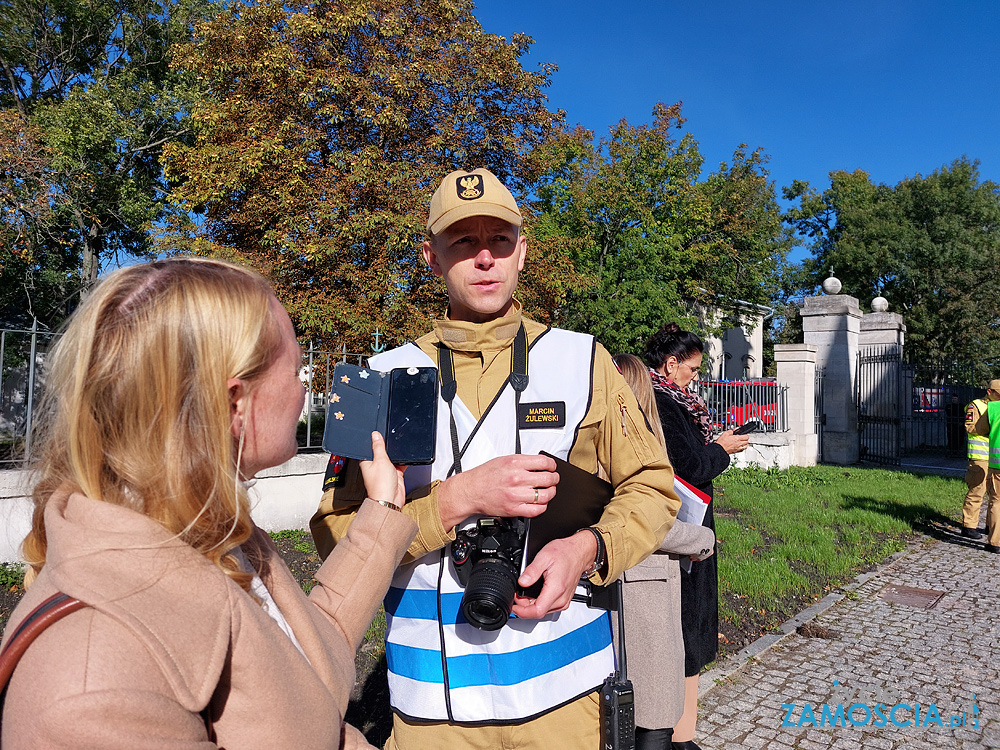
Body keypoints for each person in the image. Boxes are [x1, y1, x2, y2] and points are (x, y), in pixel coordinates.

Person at [311, 168, 680, 750]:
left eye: (500, 240)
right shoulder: (375, 380)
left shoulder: (583, 361)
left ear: (523, 252)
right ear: (431, 257)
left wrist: (589, 547)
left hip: (565, 698)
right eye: (463, 241)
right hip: (430, 710)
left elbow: (655, 488)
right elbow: (335, 537)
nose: (485, 257)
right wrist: (457, 501)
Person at [0, 258, 417, 749]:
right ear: (235, 402)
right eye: (298, 365)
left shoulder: (215, 534)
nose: (308, 384)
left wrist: (383, 506)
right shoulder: (93, 685)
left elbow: (307, 660)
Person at [643, 323, 748, 750]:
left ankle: (679, 730)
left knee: (689, 624)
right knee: (686, 626)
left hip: (687, 522)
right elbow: (690, 466)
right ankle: (677, 734)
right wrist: (722, 447)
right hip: (682, 527)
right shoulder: (662, 403)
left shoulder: (674, 398)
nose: (695, 377)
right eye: (691, 369)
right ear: (670, 364)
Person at [611, 354, 716, 750]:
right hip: (644, 585)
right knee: (652, 715)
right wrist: (700, 539)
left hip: (636, 583)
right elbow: (645, 520)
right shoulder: (631, 441)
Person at [961, 382, 1000, 539]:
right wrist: (992, 430)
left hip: (994, 457)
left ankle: (991, 526)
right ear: (989, 391)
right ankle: (969, 526)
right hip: (980, 456)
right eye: (998, 393)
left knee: (995, 494)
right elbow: (970, 427)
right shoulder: (976, 405)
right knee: (977, 490)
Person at [971, 379, 1000, 553]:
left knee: (997, 501)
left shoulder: (993, 408)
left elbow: (977, 429)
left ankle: (995, 542)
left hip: (998, 464)